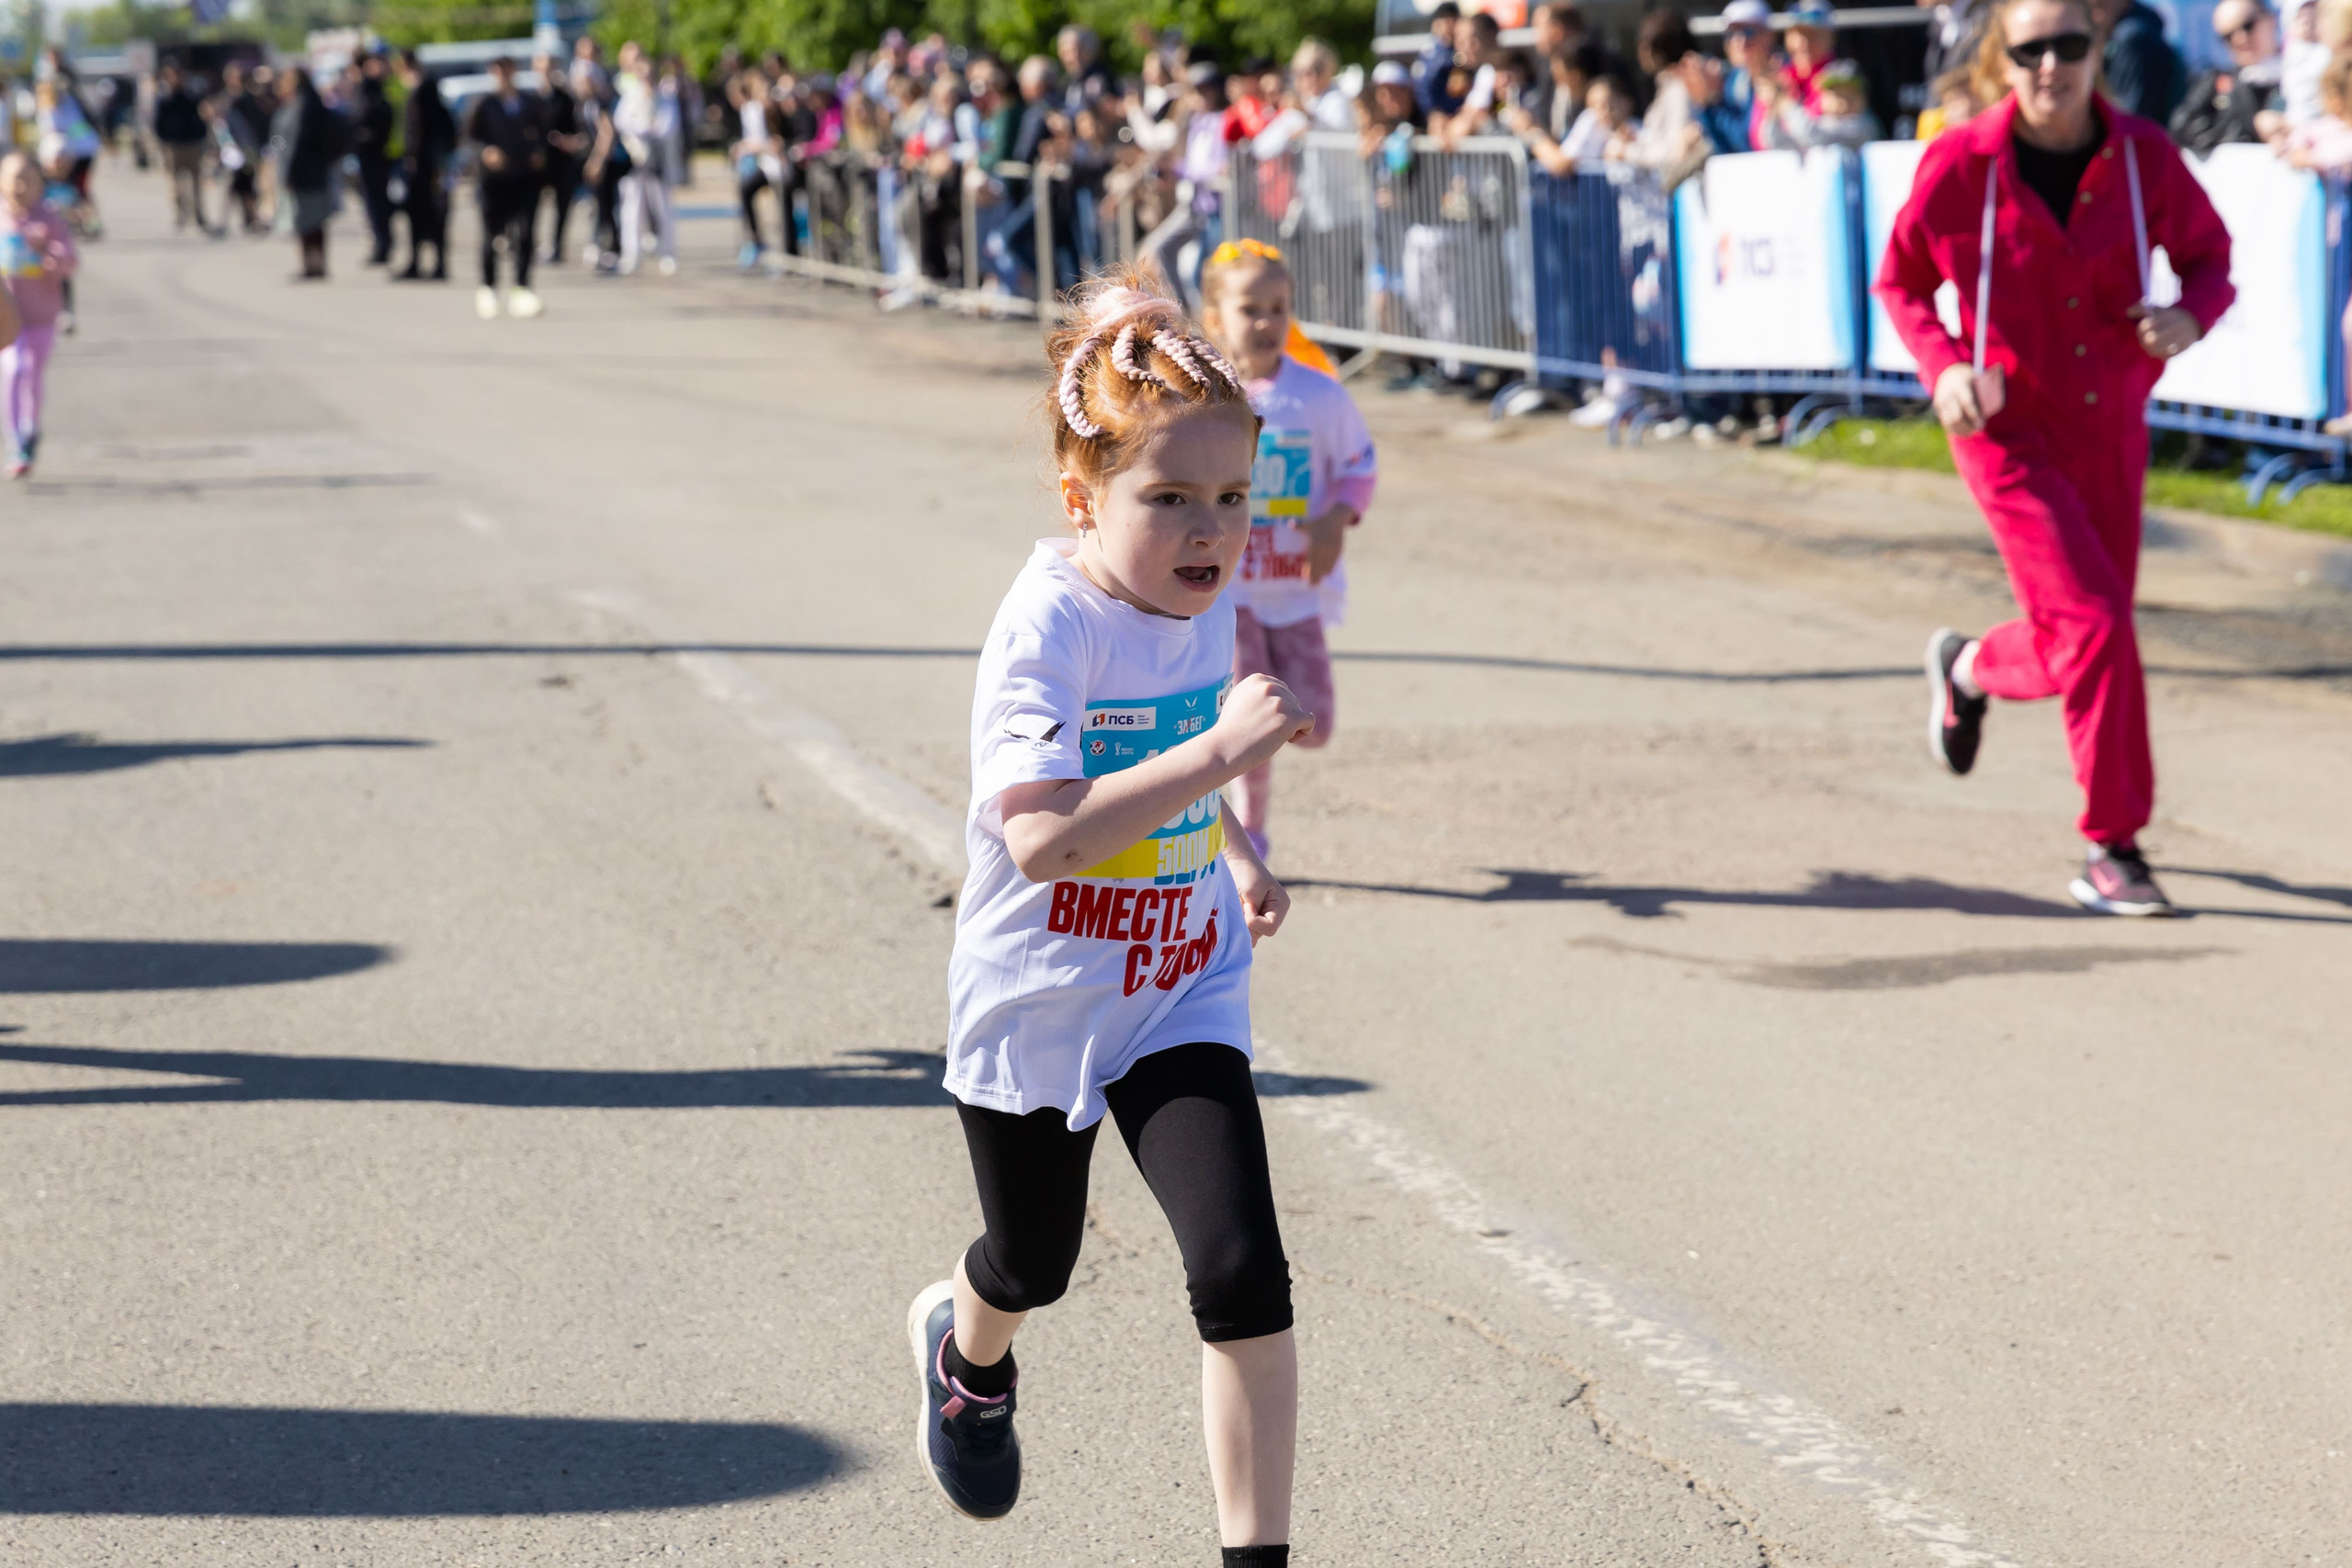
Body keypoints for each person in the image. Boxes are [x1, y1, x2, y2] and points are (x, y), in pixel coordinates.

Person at [915, 269, 1306, 1566]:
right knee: (1033, 1260)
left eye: (1233, 500)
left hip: (1179, 981)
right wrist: (1212, 773)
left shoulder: (1195, 600)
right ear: (1085, 498)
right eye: (1173, 500)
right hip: (1042, 992)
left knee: (1240, 1263)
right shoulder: (1046, 626)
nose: (1210, 532)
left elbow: (1185, 741)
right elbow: (1039, 837)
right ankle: (967, 1361)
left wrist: (1235, 847)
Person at [1876, 0, 2232, 915]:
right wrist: (1941, 364)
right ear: (2002, 59)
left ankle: (1964, 669)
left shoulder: (2143, 156)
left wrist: (2190, 315)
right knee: (2098, 630)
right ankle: (2111, 846)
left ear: (2094, 49)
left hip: (2109, 426)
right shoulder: (1963, 162)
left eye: (2066, 45)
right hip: (2008, 435)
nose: (2049, 67)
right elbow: (1901, 279)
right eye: (2028, 49)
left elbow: (2208, 258)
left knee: (2084, 633)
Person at [1195, 240, 1377, 862]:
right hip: (1232, 594)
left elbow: (1360, 465)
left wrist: (1335, 519)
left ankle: (1242, 788)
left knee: (1315, 724)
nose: (1269, 321)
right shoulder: (1208, 400)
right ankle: (1250, 833)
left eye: (1280, 307)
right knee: (1246, 728)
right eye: (1251, 308)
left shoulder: (1320, 396)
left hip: (1296, 591)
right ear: (1216, 318)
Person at [0, 150, 68, 479]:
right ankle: (16, 440)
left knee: (33, 374)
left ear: (40, 183)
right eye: (14, 179)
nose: (21, 186)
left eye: (28, 179)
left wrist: (48, 256)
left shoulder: (49, 219)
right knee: (13, 370)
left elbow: (70, 261)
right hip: (5, 320)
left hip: (42, 316)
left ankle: (31, 426)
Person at [466, 56, 548, 317]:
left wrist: (538, 152)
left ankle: (522, 288)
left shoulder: (529, 103)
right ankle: (488, 288)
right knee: (491, 235)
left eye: (507, 69)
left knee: (525, 234)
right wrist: (485, 153)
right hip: (493, 181)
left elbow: (544, 133)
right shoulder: (484, 104)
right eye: (498, 69)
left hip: (524, 177)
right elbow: (470, 139)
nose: (503, 74)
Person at [2171, 0, 2281, 153]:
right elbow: (2181, 128)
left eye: (2247, 26)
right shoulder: (2216, 83)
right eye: (2228, 36)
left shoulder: (2303, 75)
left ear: (2271, 20)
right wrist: (2243, 126)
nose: (2240, 39)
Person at [273, 67, 347, 280]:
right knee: (315, 221)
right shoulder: (309, 102)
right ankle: (316, 265)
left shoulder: (302, 106)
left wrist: (289, 173)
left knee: (307, 221)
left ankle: (312, 266)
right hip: (316, 170)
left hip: (305, 172)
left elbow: (297, 142)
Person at [395, 51, 454, 280]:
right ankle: (422, 261)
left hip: (424, 166)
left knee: (429, 214)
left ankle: (433, 263)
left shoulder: (423, 91)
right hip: (423, 164)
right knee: (421, 215)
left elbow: (420, 131)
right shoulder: (422, 90)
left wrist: (415, 158)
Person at [2093, 0, 2187, 122]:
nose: (2096, 17)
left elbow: (2132, 117)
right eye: (2091, 8)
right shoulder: (2132, 33)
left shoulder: (2133, 39)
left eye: (2101, 6)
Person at [537, 51, 587, 265]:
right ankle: (530, 243)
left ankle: (557, 246)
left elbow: (578, 131)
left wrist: (569, 141)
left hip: (562, 160)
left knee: (563, 206)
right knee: (532, 205)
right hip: (538, 161)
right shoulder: (532, 99)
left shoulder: (565, 99)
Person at [153, 63, 211, 233]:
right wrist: (163, 140)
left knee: (197, 183)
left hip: (192, 143)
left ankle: (199, 214)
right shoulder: (165, 97)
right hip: (173, 144)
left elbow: (201, 115)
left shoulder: (191, 94)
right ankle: (180, 214)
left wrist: (202, 136)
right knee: (176, 183)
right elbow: (159, 122)